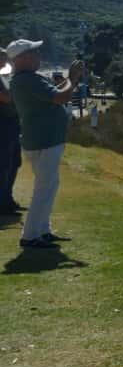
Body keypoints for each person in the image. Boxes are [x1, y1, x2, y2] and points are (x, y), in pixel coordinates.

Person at [6, 39, 85, 249]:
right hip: (45, 140)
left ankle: (42, 230)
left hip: (42, 139)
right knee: (45, 188)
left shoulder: (23, 80)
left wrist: (68, 81)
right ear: (23, 58)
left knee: (48, 186)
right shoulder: (28, 79)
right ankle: (31, 235)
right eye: (34, 52)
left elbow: (51, 94)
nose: (38, 55)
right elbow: (60, 97)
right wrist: (72, 79)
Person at [0, 52, 21, 214]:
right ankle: (3, 202)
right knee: (5, 164)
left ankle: (7, 198)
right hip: (4, 125)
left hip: (11, 123)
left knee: (13, 162)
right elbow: (6, 98)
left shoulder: (4, 76)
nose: (5, 59)